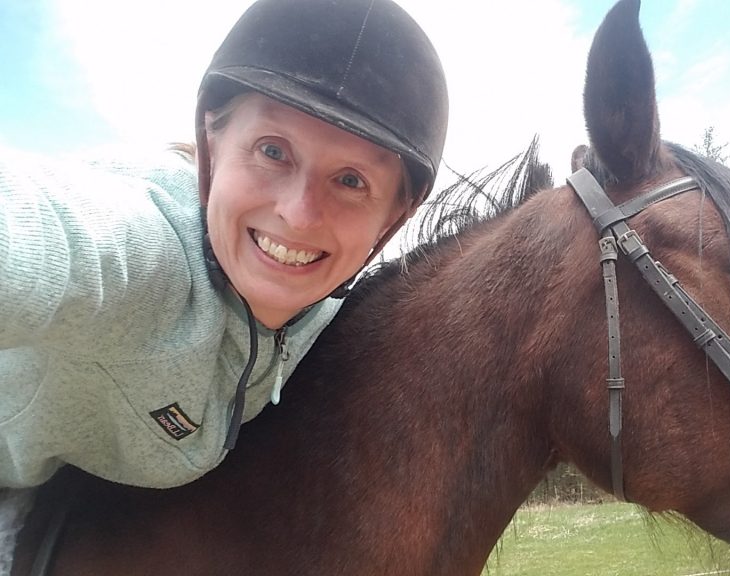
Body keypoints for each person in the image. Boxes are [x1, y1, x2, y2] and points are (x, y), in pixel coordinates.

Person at [0, 0, 447, 568]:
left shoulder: (334, 317)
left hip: (62, 496)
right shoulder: (145, 246)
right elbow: (40, 232)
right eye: (272, 150)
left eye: (351, 180)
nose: (299, 214)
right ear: (212, 144)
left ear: (392, 219)